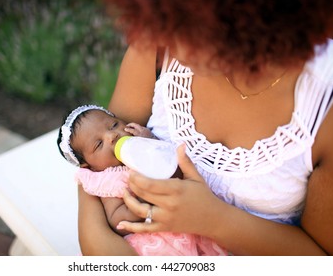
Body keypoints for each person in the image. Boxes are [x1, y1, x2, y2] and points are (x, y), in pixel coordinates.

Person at [77, 0, 333, 255]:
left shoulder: (326, 106)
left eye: (188, 26)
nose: (168, 39)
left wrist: (215, 220)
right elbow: (95, 162)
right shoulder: (160, 34)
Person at [57, 104, 227, 255]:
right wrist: (142, 199)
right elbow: (116, 218)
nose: (111, 136)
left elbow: (171, 164)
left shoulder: (143, 145)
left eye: (114, 125)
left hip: (184, 220)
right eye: (98, 144)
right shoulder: (107, 179)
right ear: (89, 166)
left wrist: (150, 140)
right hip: (153, 240)